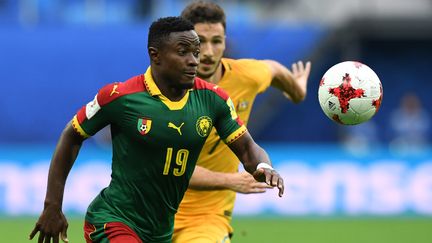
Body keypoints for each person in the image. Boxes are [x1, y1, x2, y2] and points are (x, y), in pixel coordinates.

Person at [28, 16, 284, 243]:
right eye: (183, 52)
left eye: (195, 52)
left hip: (160, 231)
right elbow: (72, 135)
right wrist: (52, 206)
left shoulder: (213, 100)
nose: (194, 60)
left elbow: (248, 149)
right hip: (112, 221)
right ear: (155, 55)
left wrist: (264, 167)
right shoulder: (120, 97)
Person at [173, 1, 311, 243]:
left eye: (216, 41)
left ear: (225, 42)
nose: (207, 52)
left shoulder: (245, 75)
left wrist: (296, 90)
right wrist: (230, 180)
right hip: (151, 214)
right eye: (198, 42)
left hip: (206, 218)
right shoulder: (165, 91)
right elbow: (168, 167)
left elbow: (274, 70)